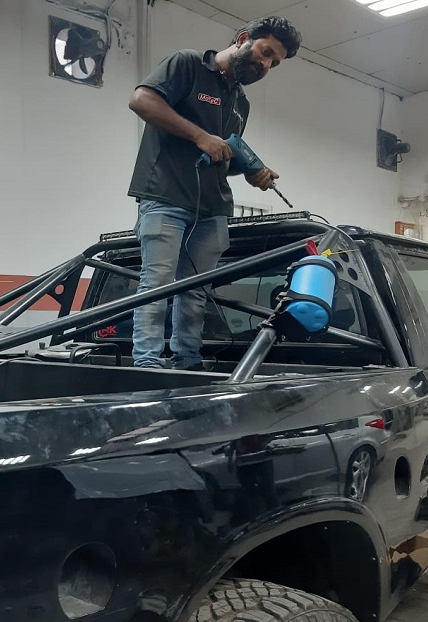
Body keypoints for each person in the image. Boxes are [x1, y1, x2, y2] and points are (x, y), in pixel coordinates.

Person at [126, 16, 302, 370]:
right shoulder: (189, 64)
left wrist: (251, 171)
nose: (266, 65)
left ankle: (187, 361)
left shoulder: (241, 101)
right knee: (157, 283)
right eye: (266, 52)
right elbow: (142, 101)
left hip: (212, 207)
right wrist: (199, 135)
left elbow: (220, 156)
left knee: (197, 290)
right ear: (243, 38)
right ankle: (147, 364)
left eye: (274, 63)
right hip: (165, 196)